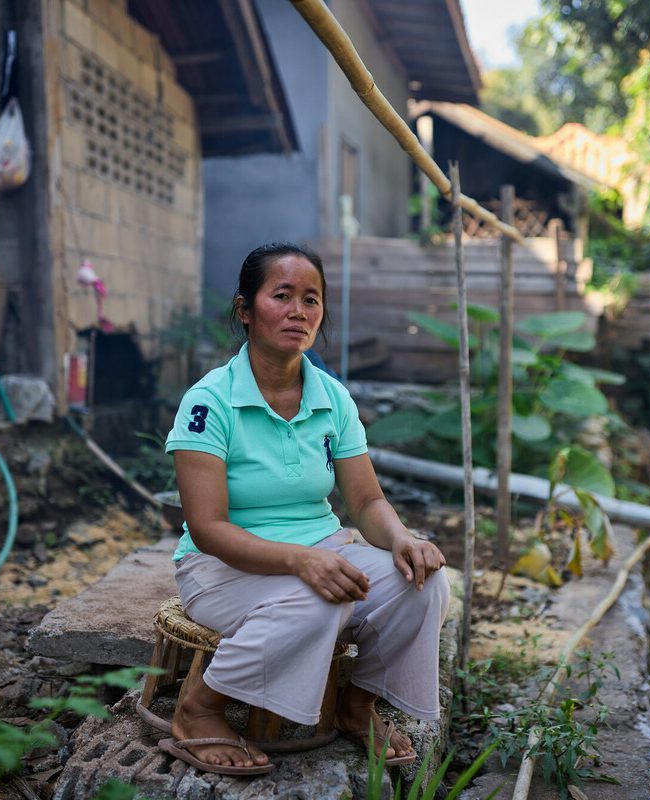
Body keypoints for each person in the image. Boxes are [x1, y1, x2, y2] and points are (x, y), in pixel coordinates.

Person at [158, 242, 450, 776]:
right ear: (245, 310)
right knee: (321, 600)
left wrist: (403, 538)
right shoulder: (210, 402)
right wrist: (299, 562)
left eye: (311, 300)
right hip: (222, 567)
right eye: (282, 296)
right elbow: (206, 528)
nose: (299, 311)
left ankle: (356, 707)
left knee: (422, 581)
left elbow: (366, 502)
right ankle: (199, 708)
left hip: (321, 549)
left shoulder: (332, 398)